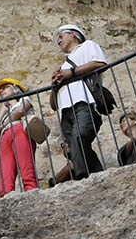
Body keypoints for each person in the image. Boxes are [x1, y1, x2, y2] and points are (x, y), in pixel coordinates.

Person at [47, 24, 106, 183]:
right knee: (75, 147)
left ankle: (83, 177)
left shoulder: (87, 46)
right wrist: (55, 85)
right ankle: (98, 176)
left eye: (61, 36)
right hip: (65, 112)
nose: (58, 40)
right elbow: (53, 105)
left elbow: (100, 63)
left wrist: (71, 73)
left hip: (83, 103)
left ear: (74, 34)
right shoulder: (64, 65)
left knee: (80, 137)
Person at [0, 78, 39, 195]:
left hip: (19, 131)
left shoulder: (24, 99)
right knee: (5, 174)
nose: (2, 90)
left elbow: (21, 111)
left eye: (5, 87)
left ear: (15, 88)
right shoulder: (5, 113)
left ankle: (31, 194)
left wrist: (5, 123)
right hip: (5, 137)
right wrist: (3, 110)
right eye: (0, 90)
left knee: (26, 168)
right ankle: (5, 197)